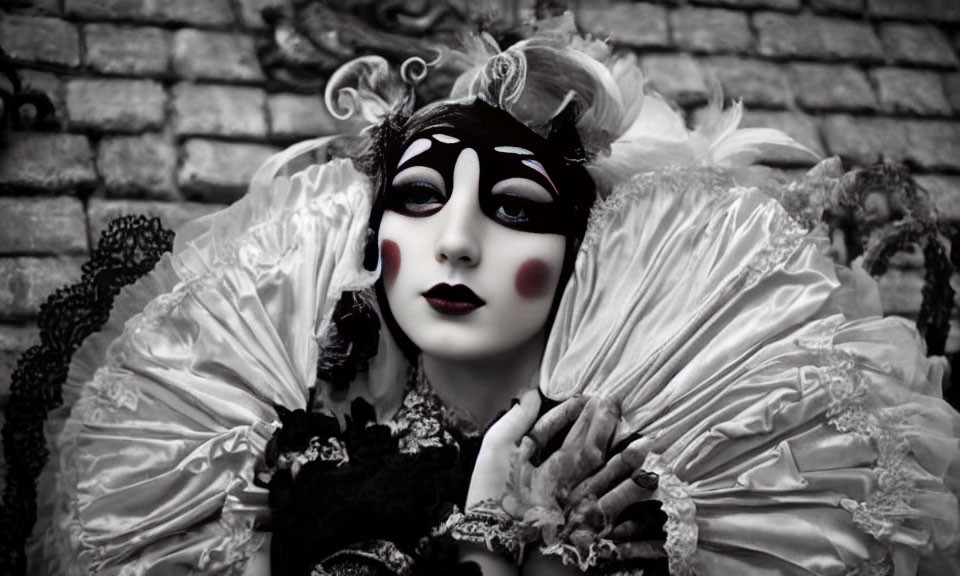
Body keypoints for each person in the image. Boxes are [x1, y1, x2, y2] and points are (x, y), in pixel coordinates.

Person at [19, 13, 960, 576]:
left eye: (511, 205)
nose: (457, 239)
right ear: (374, 246)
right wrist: (489, 523)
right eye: (419, 199)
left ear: (579, 258)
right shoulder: (294, 464)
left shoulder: (640, 488)